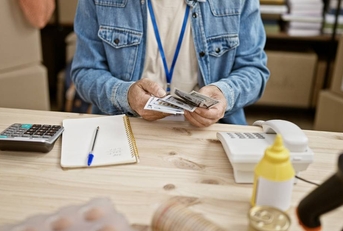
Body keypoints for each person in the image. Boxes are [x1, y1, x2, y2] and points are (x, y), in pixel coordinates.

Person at [71, 0, 270, 127]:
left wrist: (225, 93)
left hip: (210, 131)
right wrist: (127, 96)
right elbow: (85, 71)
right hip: (126, 128)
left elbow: (254, 70)